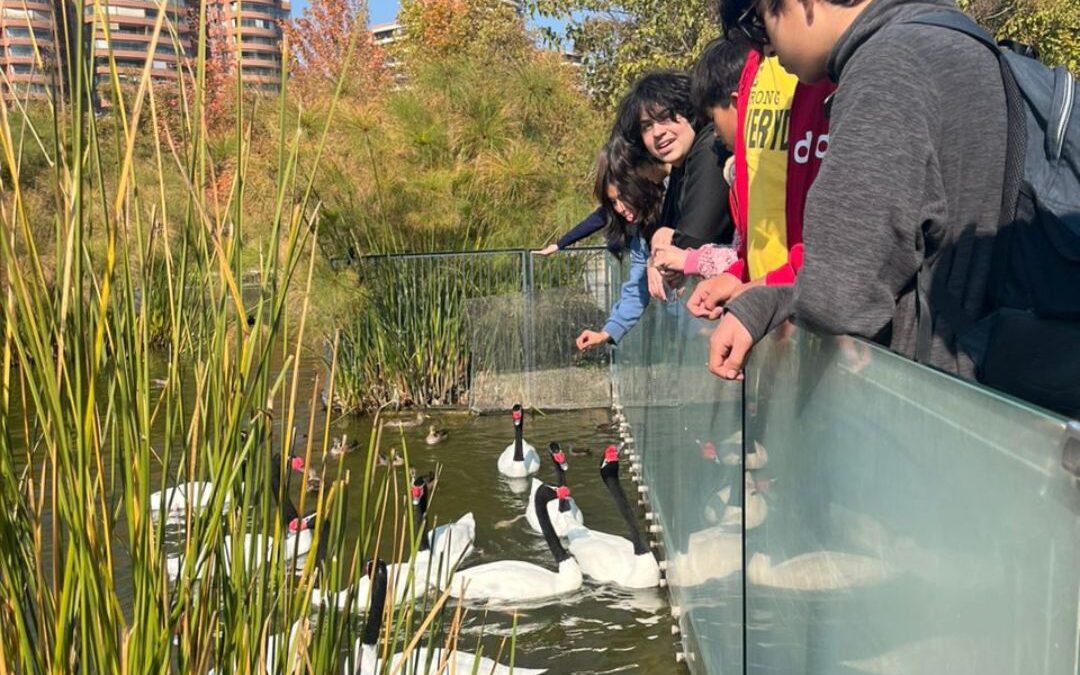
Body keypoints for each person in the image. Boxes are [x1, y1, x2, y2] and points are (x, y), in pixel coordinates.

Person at [708, 0, 1007, 382]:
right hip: (1000, 380)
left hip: (935, 394)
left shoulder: (886, 68)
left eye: (759, 25)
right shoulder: (961, 41)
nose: (763, 50)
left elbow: (838, 297)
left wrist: (766, 304)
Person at [614, 71, 736, 300]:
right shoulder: (681, 163)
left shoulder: (711, 146)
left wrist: (664, 244)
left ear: (689, 112)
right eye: (646, 126)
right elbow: (667, 239)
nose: (657, 132)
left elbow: (693, 239)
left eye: (666, 117)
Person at [574, 137, 666, 351]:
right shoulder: (640, 235)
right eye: (613, 202)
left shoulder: (679, 203)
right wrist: (606, 333)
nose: (620, 208)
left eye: (622, 197)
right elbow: (637, 288)